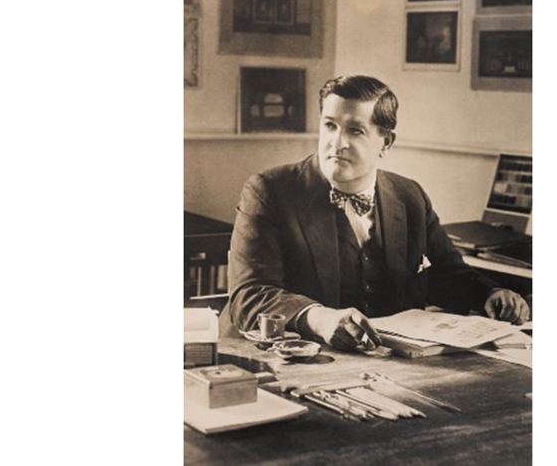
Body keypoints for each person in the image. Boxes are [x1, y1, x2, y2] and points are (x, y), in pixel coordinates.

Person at [220, 75, 530, 351]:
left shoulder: (410, 197)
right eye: (329, 125)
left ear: (386, 142)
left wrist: (488, 295)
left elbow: (447, 274)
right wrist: (318, 318)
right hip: (279, 360)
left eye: (355, 130)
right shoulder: (269, 190)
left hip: (382, 364)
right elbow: (249, 294)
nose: (337, 143)